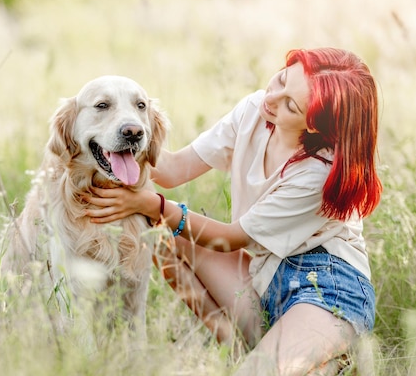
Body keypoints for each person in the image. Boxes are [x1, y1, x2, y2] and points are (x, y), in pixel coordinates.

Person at [84, 47, 382, 375]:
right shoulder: (256, 110)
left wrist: (153, 205)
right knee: (157, 233)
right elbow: (172, 168)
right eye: (281, 79)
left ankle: (329, 351)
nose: (272, 98)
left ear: (314, 126)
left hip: (325, 288)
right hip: (261, 277)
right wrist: (123, 133)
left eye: (290, 105)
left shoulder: (318, 170)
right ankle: (233, 342)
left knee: (256, 373)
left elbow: (230, 238)